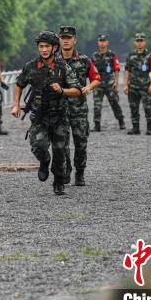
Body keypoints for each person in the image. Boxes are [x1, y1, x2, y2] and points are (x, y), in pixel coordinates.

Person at [11, 31, 83, 195]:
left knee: (59, 151)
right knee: (38, 146)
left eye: (47, 46)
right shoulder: (31, 66)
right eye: (41, 46)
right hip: (39, 116)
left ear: (54, 48)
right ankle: (44, 161)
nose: (43, 50)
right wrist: (16, 105)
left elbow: (77, 90)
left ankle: (58, 182)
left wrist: (62, 90)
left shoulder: (63, 67)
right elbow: (19, 84)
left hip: (59, 116)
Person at [57, 26, 101, 186]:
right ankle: (66, 169)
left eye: (69, 37)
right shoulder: (53, 60)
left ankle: (80, 173)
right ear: (59, 40)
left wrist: (89, 87)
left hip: (79, 109)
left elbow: (96, 78)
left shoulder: (84, 60)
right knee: (61, 143)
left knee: (81, 142)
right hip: (59, 109)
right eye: (63, 37)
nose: (66, 40)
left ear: (75, 40)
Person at [90, 33, 126, 131]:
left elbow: (116, 69)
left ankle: (121, 121)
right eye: (100, 41)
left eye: (104, 41)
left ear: (107, 42)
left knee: (114, 103)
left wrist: (116, 83)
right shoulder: (94, 55)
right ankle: (97, 125)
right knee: (97, 105)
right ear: (98, 43)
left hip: (110, 83)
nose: (102, 43)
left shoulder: (112, 55)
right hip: (98, 84)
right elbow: (91, 71)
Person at [124, 33, 151, 135]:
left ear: (145, 42)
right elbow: (127, 71)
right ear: (135, 42)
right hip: (133, 86)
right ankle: (135, 128)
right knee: (133, 107)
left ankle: (149, 128)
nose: (139, 43)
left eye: (141, 41)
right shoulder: (131, 56)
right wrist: (125, 85)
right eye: (137, 41)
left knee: (147, 107)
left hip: (145, 86)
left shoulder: (150, 55)